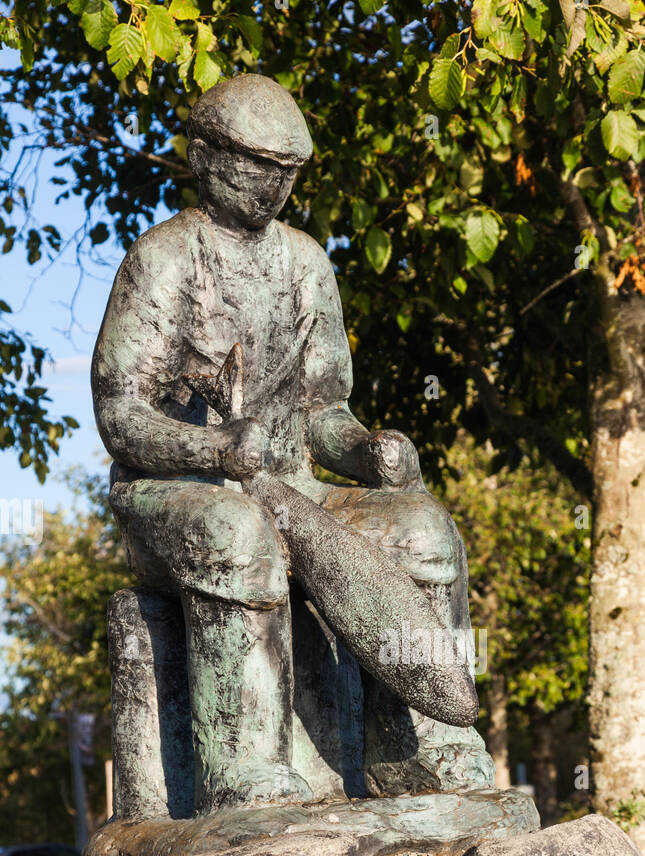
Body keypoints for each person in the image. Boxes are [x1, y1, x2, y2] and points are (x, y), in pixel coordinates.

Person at [92, 74, 493, 813]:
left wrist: (368, 451)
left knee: (420, 528)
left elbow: (323, 414)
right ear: (206, 157)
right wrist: (209, 452)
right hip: (173, 497)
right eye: (257, 165)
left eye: (288, 173)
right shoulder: (164, 259)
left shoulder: (306, 262)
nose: (273, 186)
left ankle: (422, 751)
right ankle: (244, 769)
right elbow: (120, 414)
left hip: (290, 488)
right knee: (236, 534)